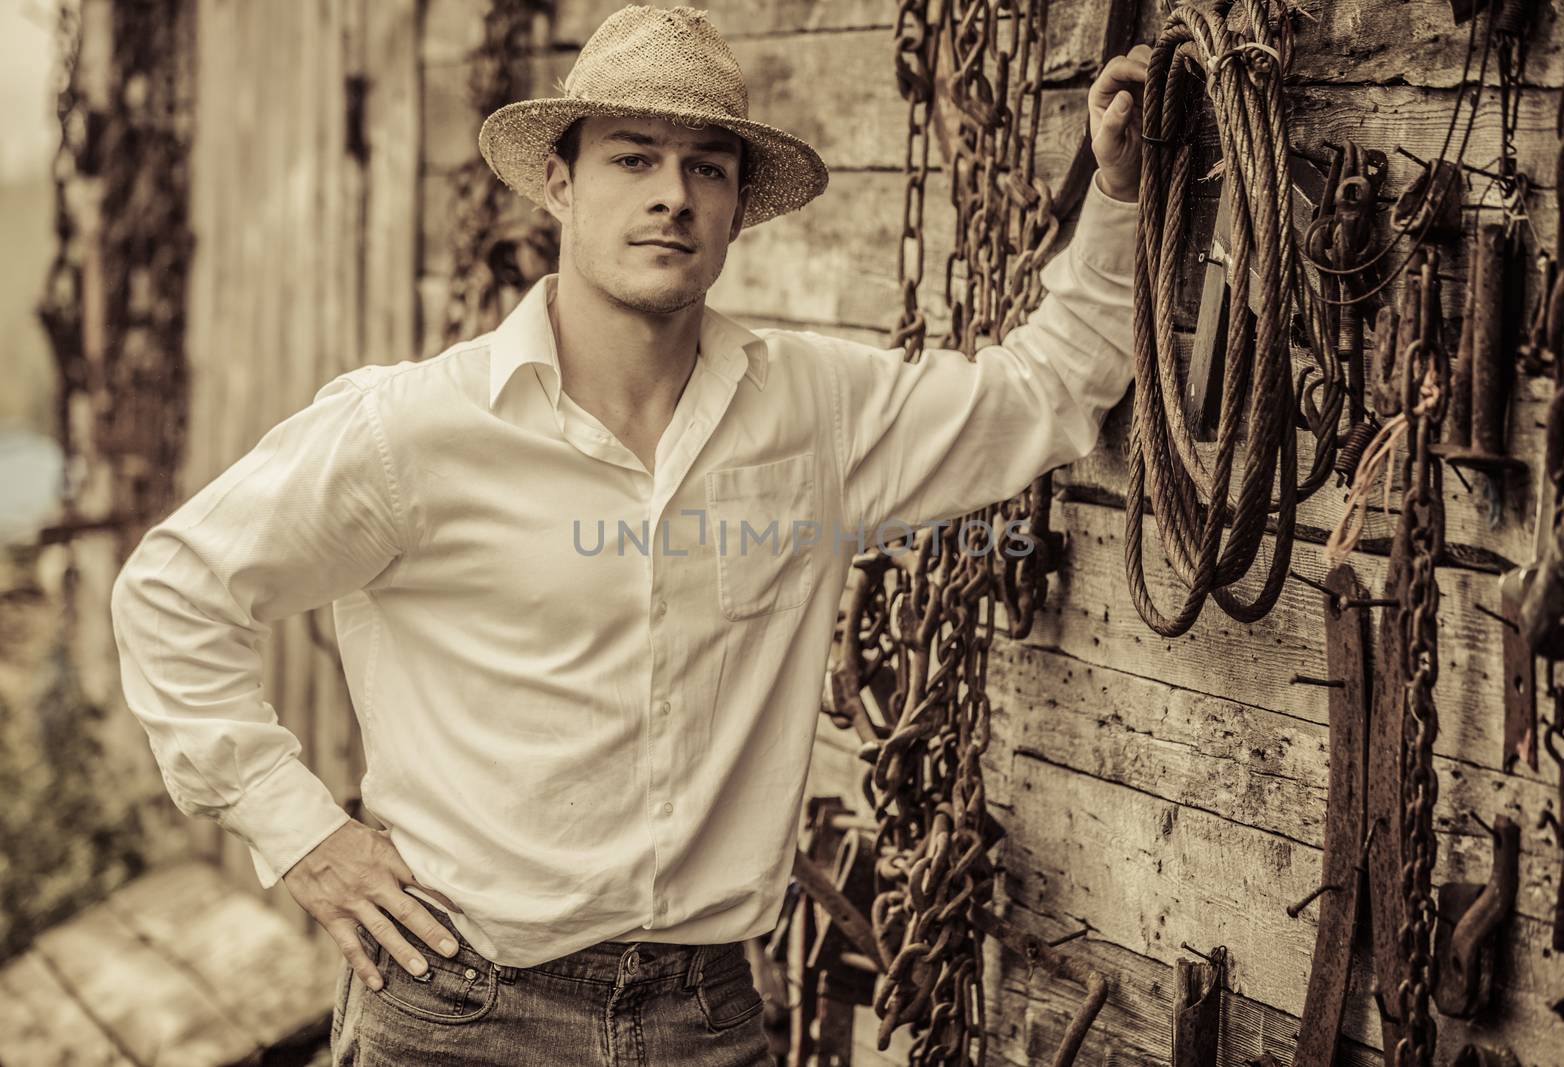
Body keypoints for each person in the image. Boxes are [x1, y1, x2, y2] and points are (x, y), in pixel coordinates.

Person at [109, 4, 1150, 1065]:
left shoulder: (814, 410)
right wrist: (303, 836)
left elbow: (1045, 392)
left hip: (705, 1013)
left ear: (739, 206)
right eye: (633, 158)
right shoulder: (414, 428)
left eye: (707, 167)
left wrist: (1115, 194)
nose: (671, 194)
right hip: (456, 1009)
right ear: (560, 183)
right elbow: (173, 589)